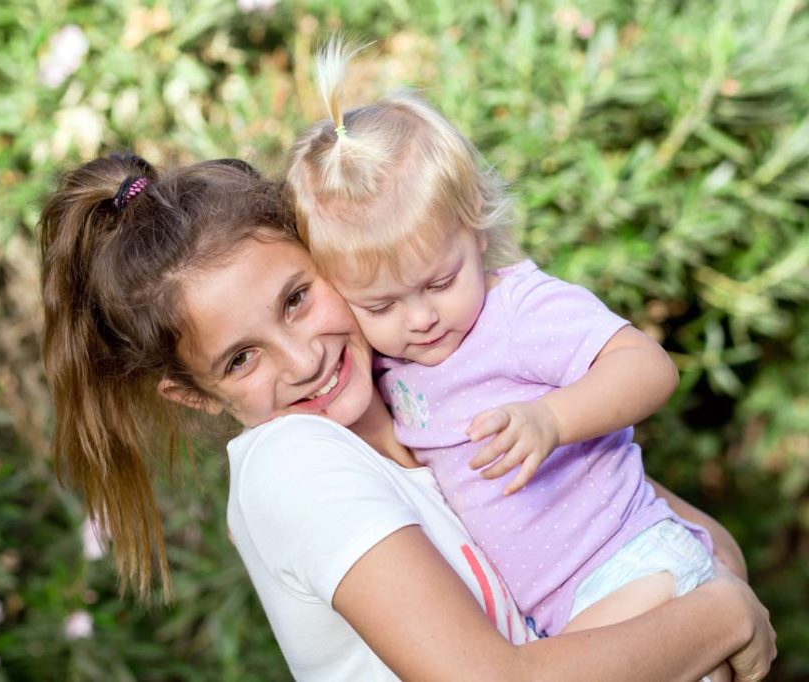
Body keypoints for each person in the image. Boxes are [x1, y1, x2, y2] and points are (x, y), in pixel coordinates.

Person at [38, 152, 774, 680]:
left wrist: (709, 591)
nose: (302, 361)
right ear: (196, 395)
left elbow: (685, 537)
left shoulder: (430, 396)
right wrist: (721, 619)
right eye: (240, 359)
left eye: (297, 298)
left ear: (335, 261)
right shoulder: (292, 464)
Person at [286, 42, 729, 680]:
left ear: (479, 231)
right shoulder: (388, 368)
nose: (420, 318)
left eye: (439, 282)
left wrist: (553, 418)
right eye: (380, 304)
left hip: (632, 566)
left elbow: (648, 366)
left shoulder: (515, 310)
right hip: (562, 611)